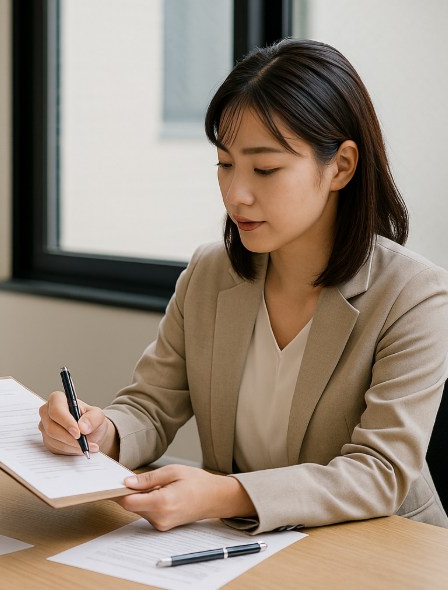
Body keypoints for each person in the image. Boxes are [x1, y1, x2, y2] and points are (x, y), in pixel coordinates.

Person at [38, 38, 448, 533]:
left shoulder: (414, 295)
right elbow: (150, 405)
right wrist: (99, 432)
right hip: (243, 550)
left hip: (381, 550)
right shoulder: (210, 274)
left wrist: (224, 495)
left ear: (340, 166)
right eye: (225, 164)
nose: (236, 194)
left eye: (266, 168)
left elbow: (380, 472)